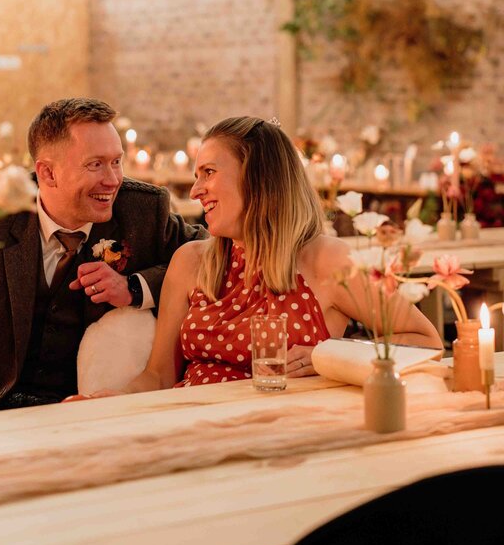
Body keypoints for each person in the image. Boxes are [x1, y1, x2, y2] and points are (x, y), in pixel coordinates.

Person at [87, 116, 441, 396]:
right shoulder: (190, 261)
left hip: (282, 437)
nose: (196, 191)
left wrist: (333, 358)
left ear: (260, 177)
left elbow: (427, 343)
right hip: (191, 427)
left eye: (208, 172)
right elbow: (159, 377)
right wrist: (110, 399)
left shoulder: (326, 260)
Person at [0, 97, 206, 411]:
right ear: (47, 173)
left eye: (116, 161)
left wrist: (134, 288)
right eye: (95, 164)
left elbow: (209, 253)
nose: (113, 180)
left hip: (92, 403)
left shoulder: (143, 209)